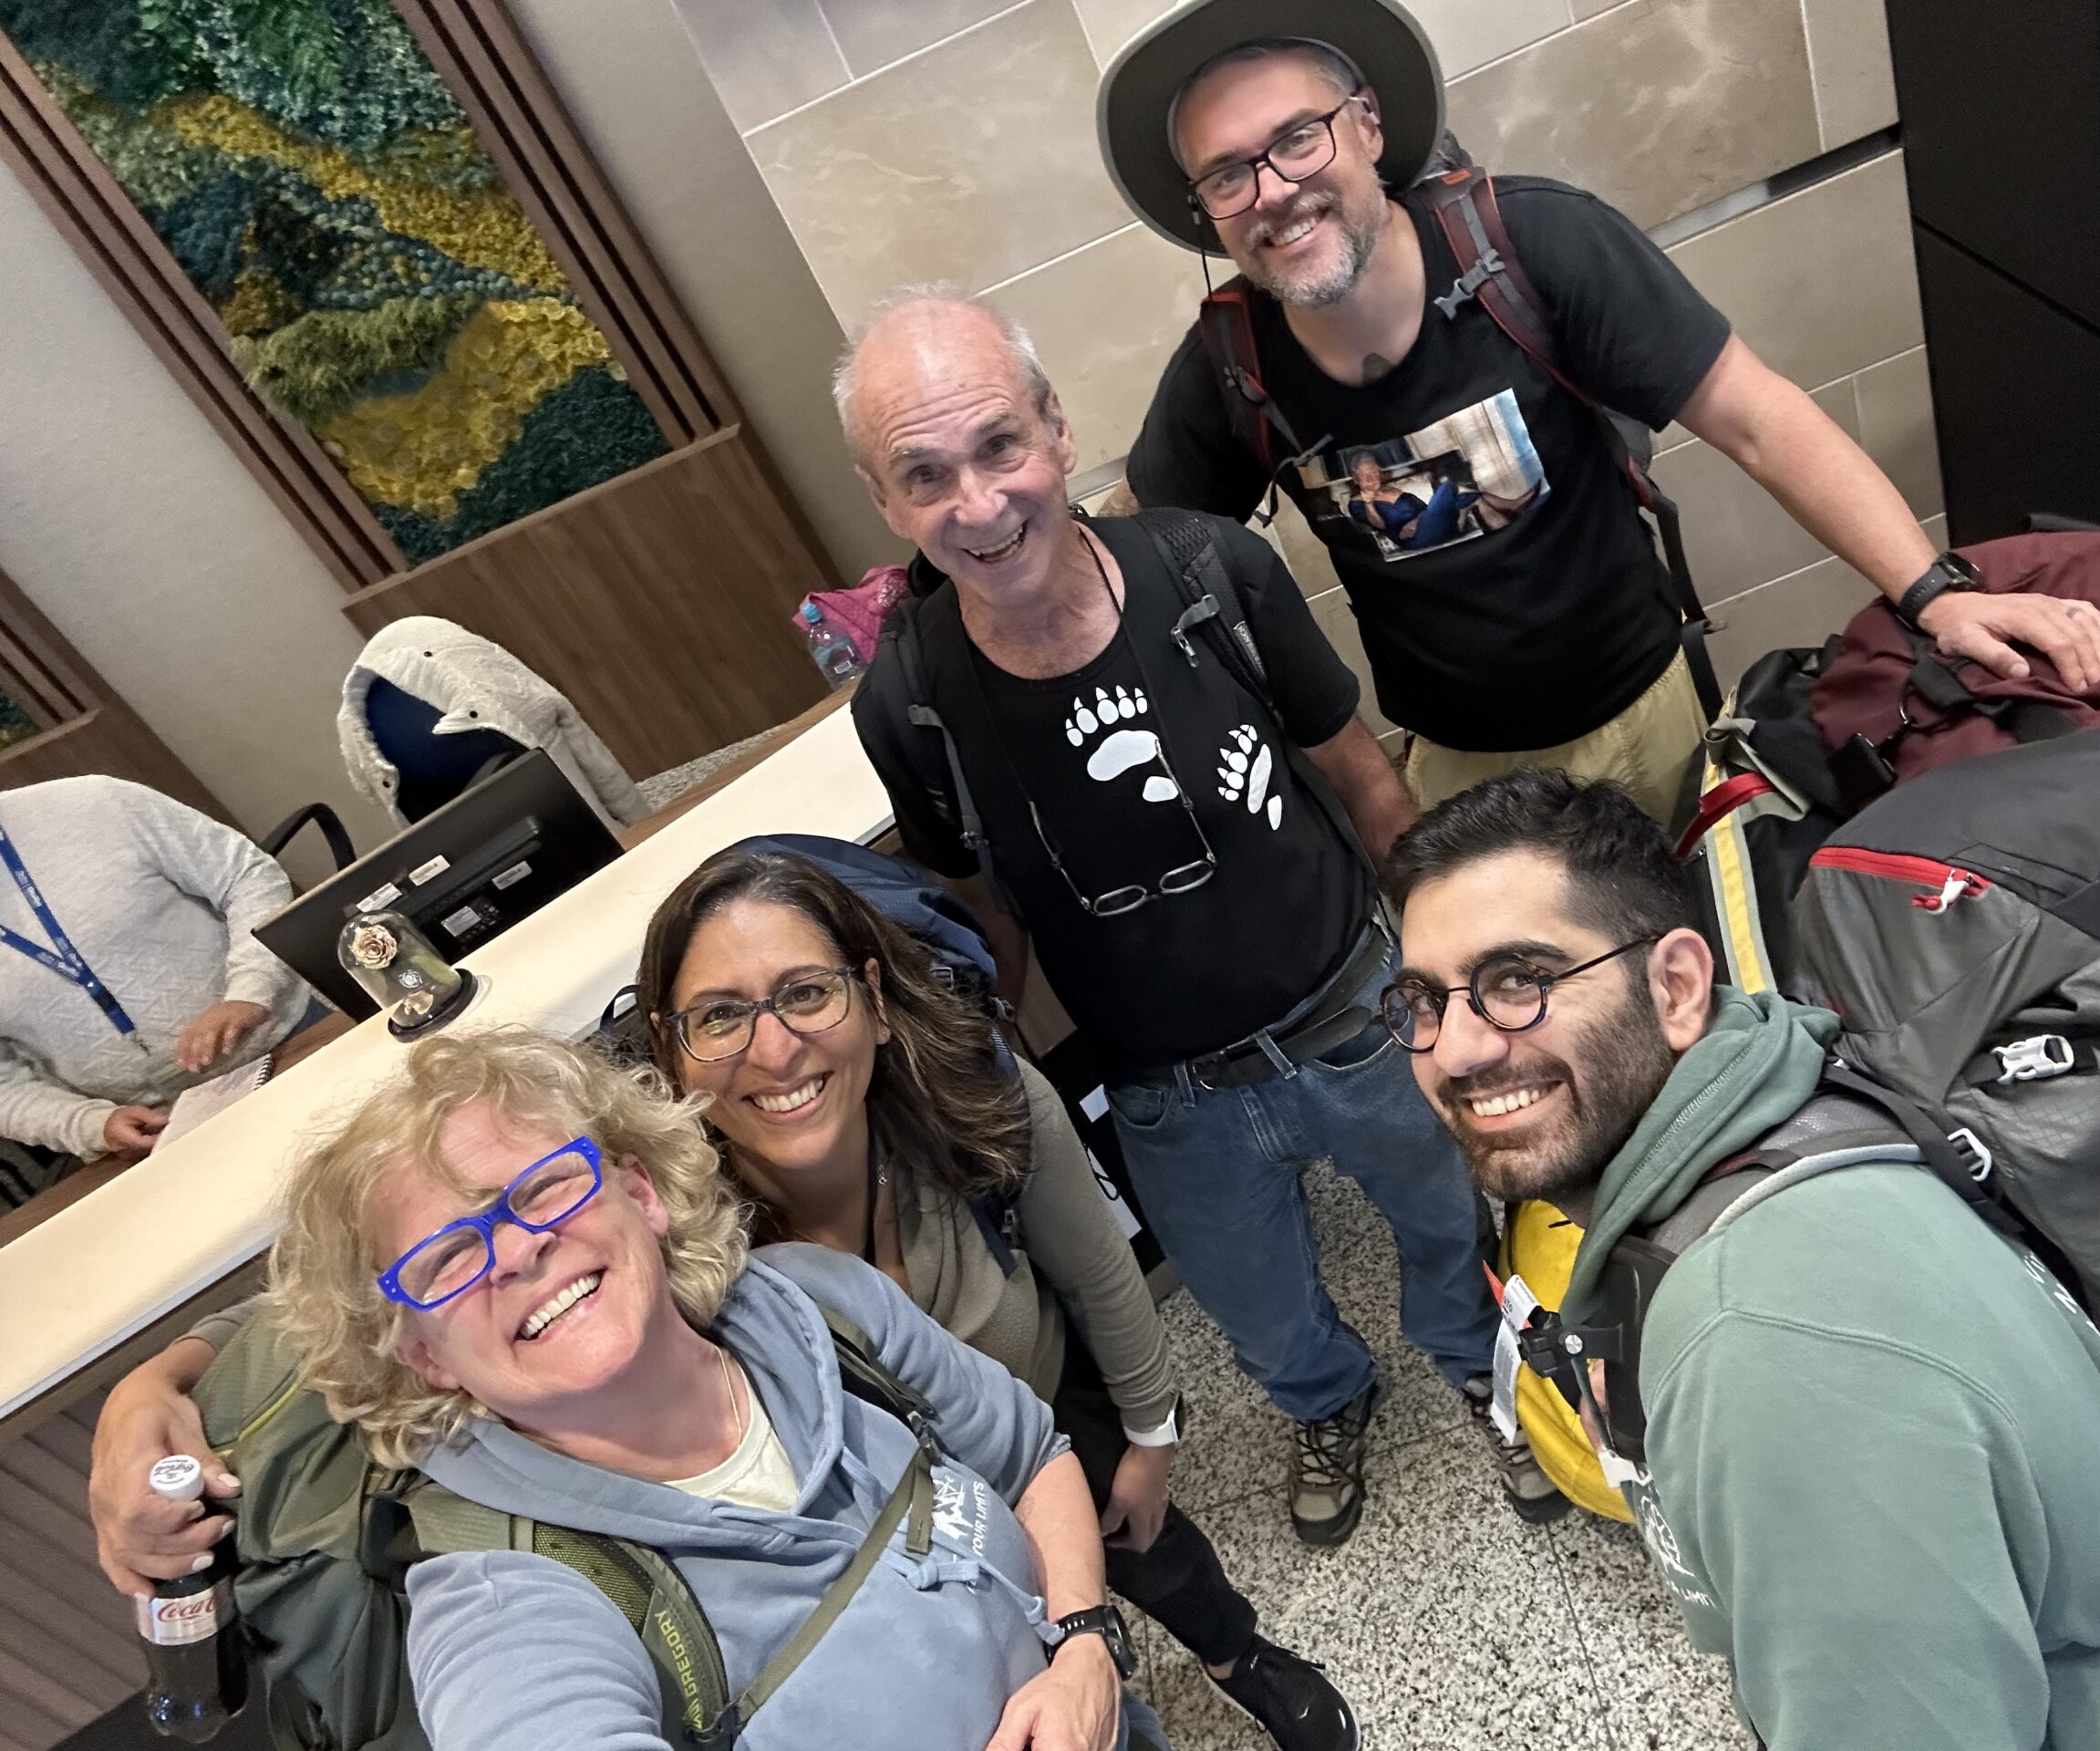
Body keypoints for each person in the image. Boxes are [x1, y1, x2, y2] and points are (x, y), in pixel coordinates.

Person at [89, 845, 1359, 1750]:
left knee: (1157, 1556)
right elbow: (352, 1303)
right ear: (665, 1054)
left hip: (1013, 1440)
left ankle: (1242, 1658)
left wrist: (1144, 1451)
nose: (773, 1047)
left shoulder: (960, 1110)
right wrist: (149, 1387)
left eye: (804, 994)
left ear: (866, 995)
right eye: (720, 1018)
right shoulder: (655, 1226)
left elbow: (1090, 1301)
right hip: (962, 1494)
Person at [836, 292, 1530, 1542]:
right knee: (1258, 1312)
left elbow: (1362, 773)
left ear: (1055, 429)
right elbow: (975, 910)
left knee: (1448, 1217)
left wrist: (1450, 974)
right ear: (885, 504)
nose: (980, 506)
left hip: (1355, 1013)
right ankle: (1326, 1399)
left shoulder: (1213, 569)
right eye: (924, 475)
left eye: (1000, 446)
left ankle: (1481, 1361)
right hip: (1168, 1094)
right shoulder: (910, 702)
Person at [1098, 0, 2100, 820]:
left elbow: (1757, 417)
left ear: (1366, 126)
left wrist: (1935, 594)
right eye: (1228, 175)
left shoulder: (1537, 247)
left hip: (1648, 713)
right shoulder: (1228, 365)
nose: (1273, 190)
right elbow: (1135, 554)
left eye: (1297, 139)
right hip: (1465, 777)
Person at [1381, 770, 2100, 1750]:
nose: (1457, 1050)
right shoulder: (1801, 1084)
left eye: (1517, 982)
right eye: (1423, 1002)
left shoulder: (1762, 1345)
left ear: (1677, 986)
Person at [155, 1027, 1168, 1750]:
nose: (516, 1251)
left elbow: (1029, 1457)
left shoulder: (821, 1305)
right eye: (444, 1262)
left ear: (639, 1192)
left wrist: (1082, 1645)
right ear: (422, 1357)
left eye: (544, 1187)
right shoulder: (504, 1599)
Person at [0, 774, 312, 1161]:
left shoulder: (94, 802)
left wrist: (250, 989)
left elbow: (247, 878)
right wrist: (87, 1123)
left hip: (288, 1039)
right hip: (166, 1129)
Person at [338, 614, 647, 832]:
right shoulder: (358, 721)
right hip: (582, 832)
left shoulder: (351, 726)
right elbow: (586, 749)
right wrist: (643, 823)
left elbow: (370, 793)